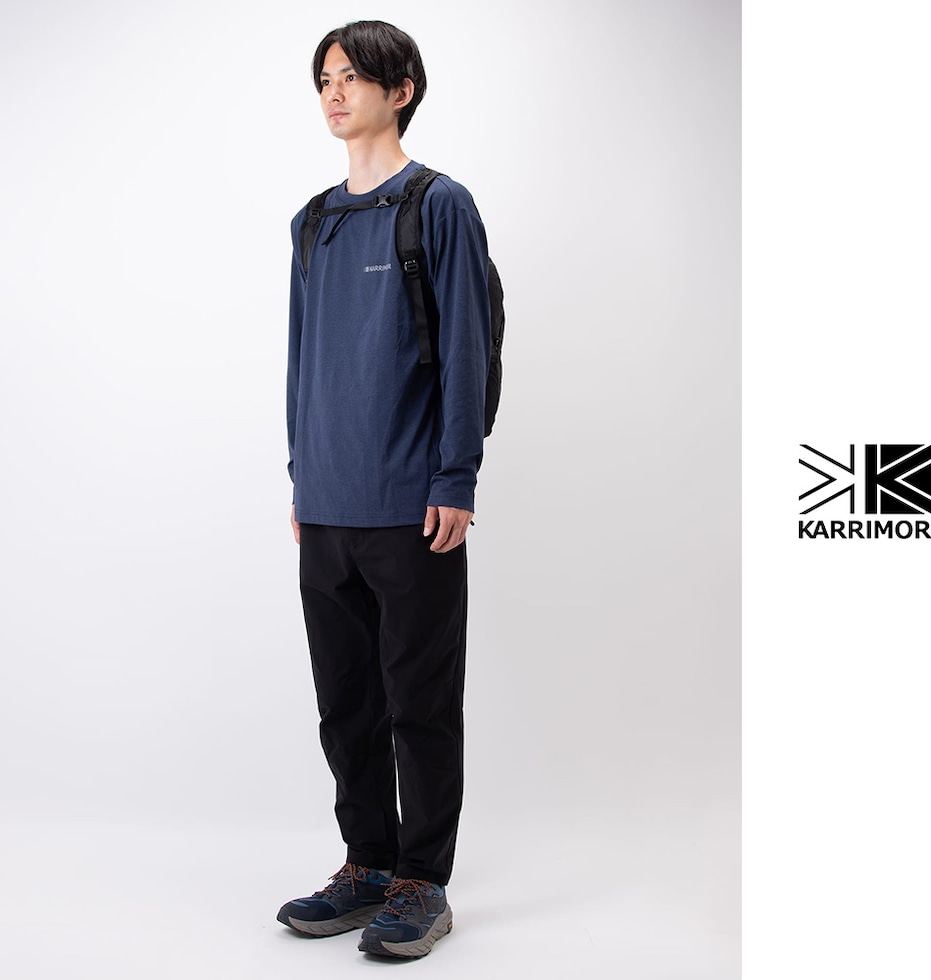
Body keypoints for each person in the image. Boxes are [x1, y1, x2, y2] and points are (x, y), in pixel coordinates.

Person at [276, 20, 491, 960]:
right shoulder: (312, 221)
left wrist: (456, 475)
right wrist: (301, 475)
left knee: (419, 702)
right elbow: (301, 357)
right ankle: (366, 864)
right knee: (347, 702)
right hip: (326, 504)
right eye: (324, 78)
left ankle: (422, 882)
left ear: (400, 91)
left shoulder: (438, 205)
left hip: (413, 506)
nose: (334, 92)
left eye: (352, 77)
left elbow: (470, 348)